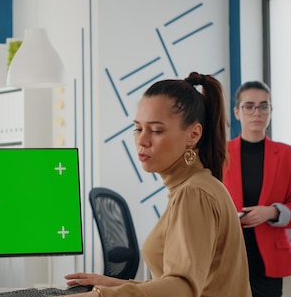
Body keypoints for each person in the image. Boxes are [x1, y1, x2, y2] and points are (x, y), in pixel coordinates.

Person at [64, 72, 251, 296]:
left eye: (156, 130)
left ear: (193, 134)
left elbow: (183, 288)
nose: (142, 140)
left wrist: (99, 295)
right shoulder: (195, 186)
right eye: (138, 128)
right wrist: (112, 283)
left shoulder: (194, 192)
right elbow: (186, 285)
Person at [223, 81, 291, 297]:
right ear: (237, 112)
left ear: (270, 110)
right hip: (227, 252)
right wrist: (231, 217)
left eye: (264, 106)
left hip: (268, 257)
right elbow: (207, 202)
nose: (257, 112)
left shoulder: (286, 155)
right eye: (249, 106)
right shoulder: (220, 154)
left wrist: (273, 212)